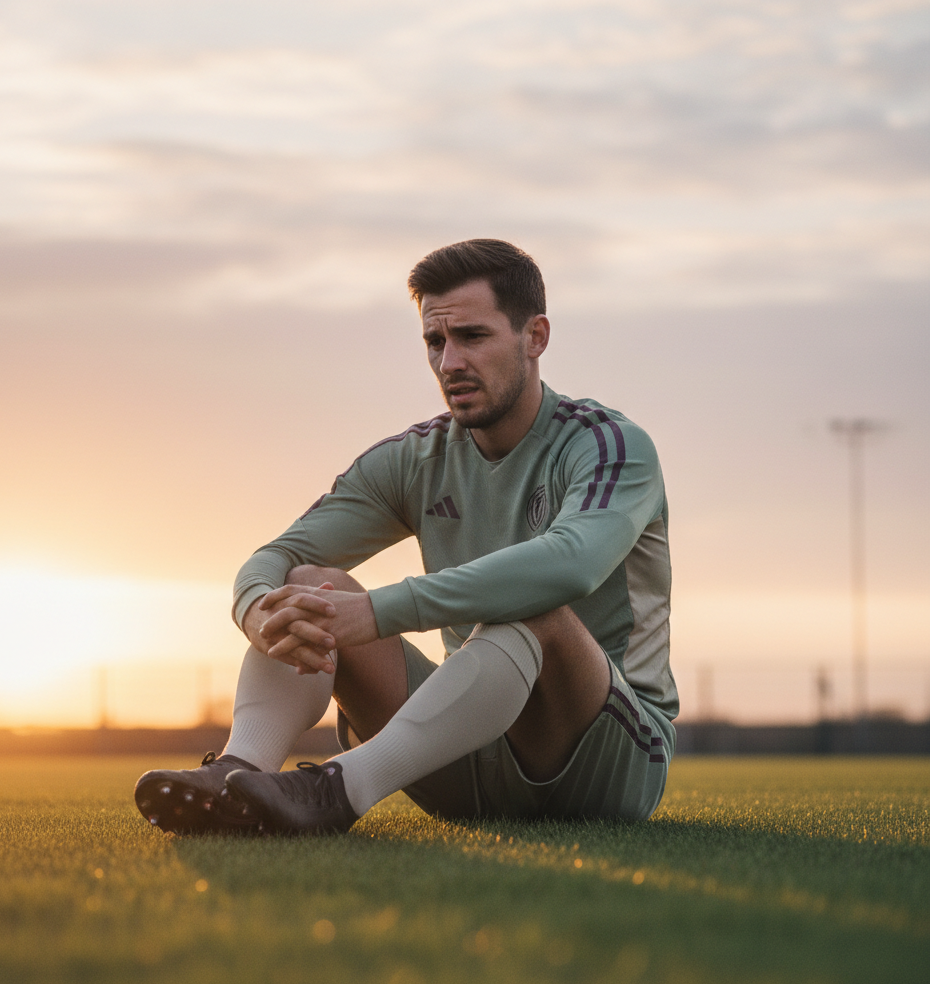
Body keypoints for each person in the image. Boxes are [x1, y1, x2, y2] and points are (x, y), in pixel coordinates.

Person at [134, 239, 677, 837]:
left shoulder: (610, 446)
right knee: (307, 586)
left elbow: (570, 566)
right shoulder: (415, 458)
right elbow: (278, 555)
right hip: (464, 756)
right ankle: (237, 774)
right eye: (434, 342)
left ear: (536, 337)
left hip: (607, 765)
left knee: (536, 609)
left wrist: (379, 611)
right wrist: (255, 608)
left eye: (472, 337)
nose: (449, 363)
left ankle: (334, 790)